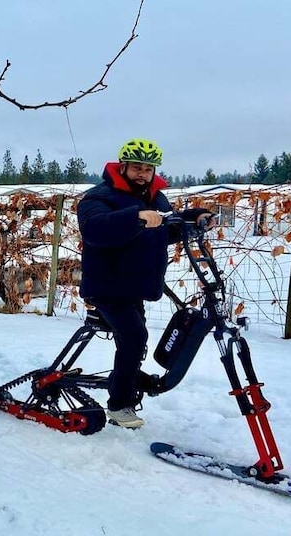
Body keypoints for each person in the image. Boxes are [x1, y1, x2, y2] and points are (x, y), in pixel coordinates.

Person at [77, 139, 214, 429]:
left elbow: (167, 227)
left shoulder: (156, 199)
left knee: (135, 341)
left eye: (148, 169)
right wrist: (135, 217)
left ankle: (124, 380)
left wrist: (194, 217)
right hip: (106, 285)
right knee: (134, 337)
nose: (142, 173)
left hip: (135, 285)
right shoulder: (99, 197)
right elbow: (95, 230)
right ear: (123, 167)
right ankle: (119, 405)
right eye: (137, 167)